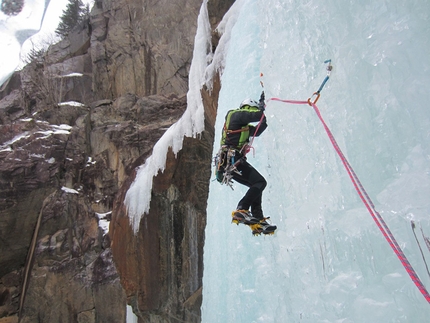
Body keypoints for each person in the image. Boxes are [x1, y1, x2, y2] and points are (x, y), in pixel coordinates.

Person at [215, 92, 276, 235]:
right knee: (260, 182)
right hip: (231, 159)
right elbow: (257, 115)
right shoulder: (234, 115)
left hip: (230, 163)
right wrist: (262, 105)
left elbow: (262, 124)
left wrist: (271, 110)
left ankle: (258, 219)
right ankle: (241, 209)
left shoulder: (246, 128)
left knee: (256, 185)